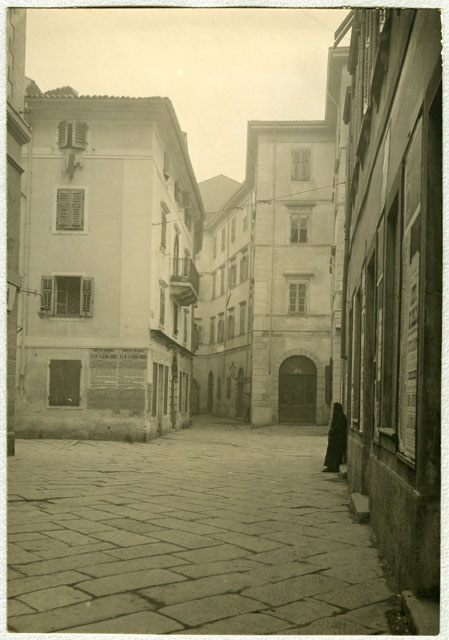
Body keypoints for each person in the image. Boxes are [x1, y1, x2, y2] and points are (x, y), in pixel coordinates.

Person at [323, 402, 347, 472]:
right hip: (334, 438)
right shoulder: (337, 417)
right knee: (331, 452)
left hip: (338, 439)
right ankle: (330, 466)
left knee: (335, 453)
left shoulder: (341, 418)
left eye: (334, 409)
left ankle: (333, 467)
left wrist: (332, 431)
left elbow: (338, 427)